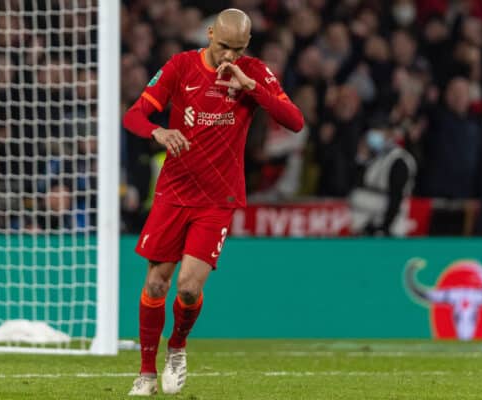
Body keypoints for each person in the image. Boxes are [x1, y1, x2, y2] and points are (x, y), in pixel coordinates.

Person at [122, 8, 304, 397]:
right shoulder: (181, 66)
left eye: (237, 49)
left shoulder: (253, 70)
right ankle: (146, 374)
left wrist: (249, 85)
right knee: (156, 282)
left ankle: (177, 348)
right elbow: (134, 115)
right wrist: (158, 131)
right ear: (208, 34)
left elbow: (294, 120)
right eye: (223, 47)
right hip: (174, 191)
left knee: (187, 288)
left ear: (248, 45)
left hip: (218, 198)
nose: (228, 57)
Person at [349, 118, 416, 236]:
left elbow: (396, 197)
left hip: (388, 227)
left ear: (390, 134)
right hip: (367, 223)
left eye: (379, 131)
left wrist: (384, 227)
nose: (374, 135)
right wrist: (361, 159)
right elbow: (358, 183)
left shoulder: (398, 160)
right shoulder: (376, 155)